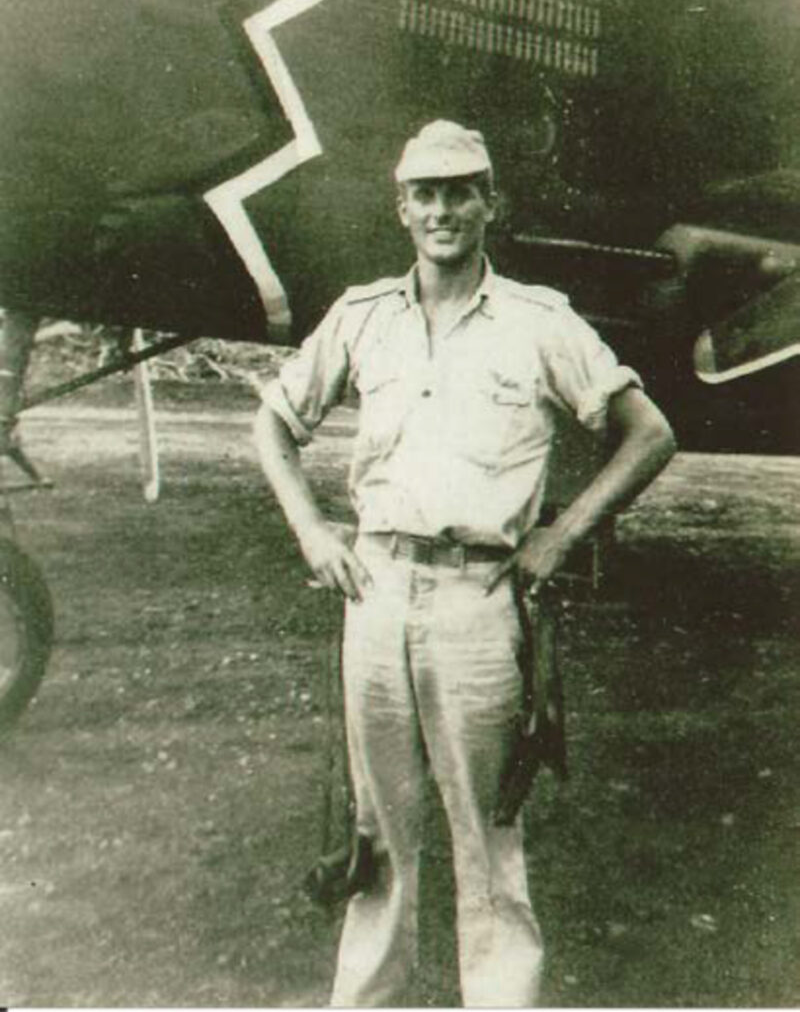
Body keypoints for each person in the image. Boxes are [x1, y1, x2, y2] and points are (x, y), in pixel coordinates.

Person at [253, 120, 676, 1007]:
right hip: (375, 592)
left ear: (492, 203)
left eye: (462, 190)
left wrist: (562, 535)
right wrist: (312, 532)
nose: (444, 209)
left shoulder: (539, 321)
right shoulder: (362, 315)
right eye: (427, 193)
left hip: (479, 606)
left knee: (490, 838)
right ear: (402, 209)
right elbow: (273, 422)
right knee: (377, 833)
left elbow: (649, 433)